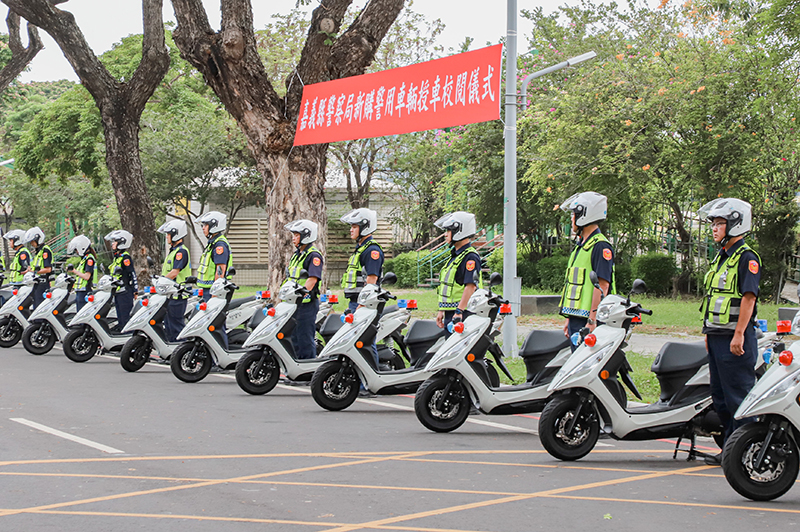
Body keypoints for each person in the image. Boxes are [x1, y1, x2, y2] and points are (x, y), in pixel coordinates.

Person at [698, 198, 760, 466]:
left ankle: (745, 453)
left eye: (719, 223)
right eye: (713, 224)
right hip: (717, 337)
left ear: (735, 223)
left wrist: (739, 334)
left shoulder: (747, 258)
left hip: (736, 340)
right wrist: (709, 334)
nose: (714, 228)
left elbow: (749, 298)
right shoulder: (722, 257)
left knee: (739, 399)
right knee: (720, 398)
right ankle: (730, 449)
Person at [558, 192, 616, 350]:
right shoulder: (582, 245)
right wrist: (569, 318)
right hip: (577, 317)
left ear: (585, 215)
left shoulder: (600, 246)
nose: (572, 219)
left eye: (574, 214)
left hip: (590, 319)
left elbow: (602, 285)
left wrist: (592, 319)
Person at [340, 208, 384, 366]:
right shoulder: (361, 249)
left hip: (366, 305)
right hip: (357, 302)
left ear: (365, 227)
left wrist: (362, 305)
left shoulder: (372, 251)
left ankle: (370, 383)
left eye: (354, 226)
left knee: (365, 342)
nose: (351, 229)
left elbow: (372, 280)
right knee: (355, 342)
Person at [434, 211, 482, 338]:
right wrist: (442, 310)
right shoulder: (456, 256)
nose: (445, 234)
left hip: (462, 313)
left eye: (448, 231)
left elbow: (470, 287)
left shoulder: (470, 257)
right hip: (452, 312)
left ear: (460, 231)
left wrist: (459, 311)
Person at [284, 219, 324, 360]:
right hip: (294, 303)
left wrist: (301, 294)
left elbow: (312, 279)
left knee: (304, 337)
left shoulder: (313, 255)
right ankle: (297, 368)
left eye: (296, 235)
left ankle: (306, 371)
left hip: (306, 303)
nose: (293, 238)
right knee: (294, 335)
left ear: (306, 235)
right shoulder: (297, 255)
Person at [196, 211, 232, 347]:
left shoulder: (219, 246)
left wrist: (215, 294)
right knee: (209, 325)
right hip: (208, 290)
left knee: (215, 325)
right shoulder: (212, 244)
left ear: (214, 226)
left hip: (215, 292)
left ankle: (220, 359)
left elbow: (220, 270)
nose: (203, 228)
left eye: (205, 225)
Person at [158, 219, 191, 342]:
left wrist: (160, 282)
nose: (167, 237)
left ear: (175, 234)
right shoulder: (173, 251)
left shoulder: (181, 252)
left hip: (178, 294)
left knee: (176, 324)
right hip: (171, 293)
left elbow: (174, 272)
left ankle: (181, 350)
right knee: (169, 324)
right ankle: (172, 351)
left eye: (168, 234)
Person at [105, 230, 138, 330]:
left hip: (125, 292)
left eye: (115, 241)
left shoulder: (125, 258)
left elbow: (132, 274)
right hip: (118, 292)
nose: (112, 244)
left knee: (125, 316)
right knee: (120, 316)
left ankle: (127, 337)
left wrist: (135, 290)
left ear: (121, 242)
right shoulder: (117, 257)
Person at [24, 227, 53, 308]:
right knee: (35, 304)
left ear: (38, 239)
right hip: (37, 282)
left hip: (43, 283)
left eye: (32, 241)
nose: (31, 244)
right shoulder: (39, 251)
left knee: (40, 306)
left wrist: (34, 271)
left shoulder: (45, 251)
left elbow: (48, 269)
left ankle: (40, 321)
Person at [68, 235, 97, 312]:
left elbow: (87, 276)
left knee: (82, 313)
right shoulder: (84, 259)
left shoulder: (89, 259)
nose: (76, 252)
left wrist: (74, 271)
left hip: (85, 291)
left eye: (76, 249)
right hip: (80, 290)